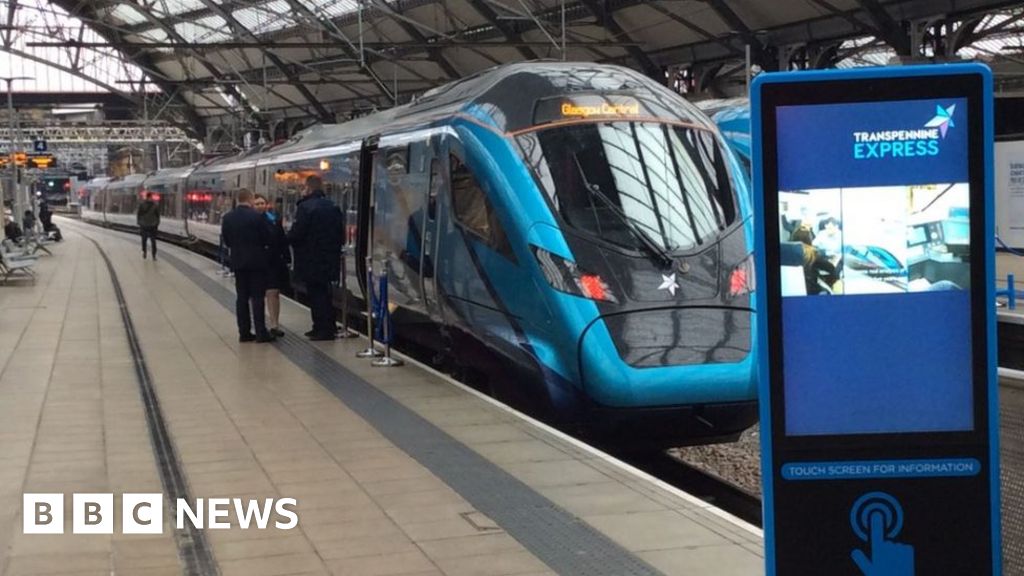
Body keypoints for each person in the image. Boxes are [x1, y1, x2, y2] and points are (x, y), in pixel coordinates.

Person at [288, 175, 344, 341]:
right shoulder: (333, 206)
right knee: (325, 293)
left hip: (310, 259)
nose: (302, 190)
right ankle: (328, 326)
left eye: (303, 187)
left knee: (316, 294)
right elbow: (340, 234)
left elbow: (298, 233)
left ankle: (321, 329)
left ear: (309, 188)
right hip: (329, 258)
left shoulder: (305, 208)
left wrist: (285, 238)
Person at [221, 189, 276, 343]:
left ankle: (244, 332)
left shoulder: (228, 218)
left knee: (242, 298)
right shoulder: (257, 217)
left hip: (238, 262)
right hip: (257, 262)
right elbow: (267, 238)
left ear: (238, 199)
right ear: (250, 199)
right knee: (257, 298)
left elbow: (227, 241)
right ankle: (260, 332)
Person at [255, 194, 289, 338]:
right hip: (256, 262)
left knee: (273, 292)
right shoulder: (250, 221)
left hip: (273, 262)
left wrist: (286, 257)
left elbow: (282, 240)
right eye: (257, 204)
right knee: (257, 295)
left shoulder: (274, 220)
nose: (260, 206)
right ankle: (259, 325)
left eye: (262, 203)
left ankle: (274, 324)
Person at [791, 226, 839, 295]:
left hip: (793, 288)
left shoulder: (787, 252)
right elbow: (831, 268)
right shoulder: (811, 253)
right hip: (811, 289)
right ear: (809, 239)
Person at [136, 192, 161, 259]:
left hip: (145, 225)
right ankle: (153, 255)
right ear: (150, 197)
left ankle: (145, 252)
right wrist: (157, 223)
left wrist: (139, 222)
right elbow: (158, 215)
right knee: (153, 241)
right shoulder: (155, 205)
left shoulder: (142, 204)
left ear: (146, 197)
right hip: (152, 226)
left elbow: (139, 214)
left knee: (144, 240)